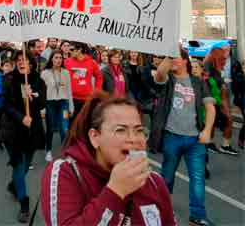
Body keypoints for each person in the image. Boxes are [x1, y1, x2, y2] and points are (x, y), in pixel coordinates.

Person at [41, 92, 176, 225]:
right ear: (95, 137)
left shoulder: (154, 182)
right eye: (120, 130)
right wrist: (115, 191)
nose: (133, 139)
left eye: (139, 130)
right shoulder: (67, 172)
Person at [151, 48, 216, 226]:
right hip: (172, 137)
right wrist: (169, 51)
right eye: (171, 58)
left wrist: (207, 130)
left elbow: (210, 107)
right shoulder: (168, 80)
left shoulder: (197, 82)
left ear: (185, 61)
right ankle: (162, 212)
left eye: (176, 58)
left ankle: (197, 215)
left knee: (198, 177)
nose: (172, 61)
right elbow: (159, 74)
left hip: (195, 140)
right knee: (167, 177)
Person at [0, 50, 46, 223]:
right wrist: (21, 117)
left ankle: (14, 185)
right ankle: (24, 204)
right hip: (12, 131)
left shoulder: (38, 81)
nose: (21, 62)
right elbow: (6, 105)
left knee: (25, 166)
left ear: (31, 63)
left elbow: (42, 102)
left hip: (31, 132)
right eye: (18, 60)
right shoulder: (8, 79)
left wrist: (32, 98)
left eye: (24, 59)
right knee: (19, 165)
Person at [203, 47, 238, 155]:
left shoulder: (214, 66)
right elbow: (207, 82)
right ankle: (220, 145)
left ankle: (217, 144)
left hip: (217, 99)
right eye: (222, 57)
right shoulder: (208, 65)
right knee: (226, 120)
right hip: (212, 99)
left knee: (220, 121)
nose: (224, 60)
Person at [41, 49, 73, 162]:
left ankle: (66, 152)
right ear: (51, 59)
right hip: (50, 103)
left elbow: (69, 91)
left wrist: (71, 106)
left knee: (64, 128)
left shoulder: (66, 72)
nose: (58, 60)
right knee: (50, 128)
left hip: (63, 103)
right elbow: (42, 93)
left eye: (60, 58)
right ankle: (48, 151)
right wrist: (42, 108)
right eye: (56, 58)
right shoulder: (45, 73)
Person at [65, 42, 103, 125]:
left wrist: (96, 91)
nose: (69, 51)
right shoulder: (67, 62)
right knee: (72, 124)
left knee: (85, 124)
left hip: (86, 99)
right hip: (71, 99)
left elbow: (99, 77)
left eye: (72, 49)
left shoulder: (91, 62)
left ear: (79, 50)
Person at [0, 59, 13, 150]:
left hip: (10, 104)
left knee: (9, 123)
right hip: (1, 105)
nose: (8, 68)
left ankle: (8, 139)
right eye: (6, 66)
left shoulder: (13, 77)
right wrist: (5, 92)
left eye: (9, 66)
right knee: (0, 123)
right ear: (2, 67)